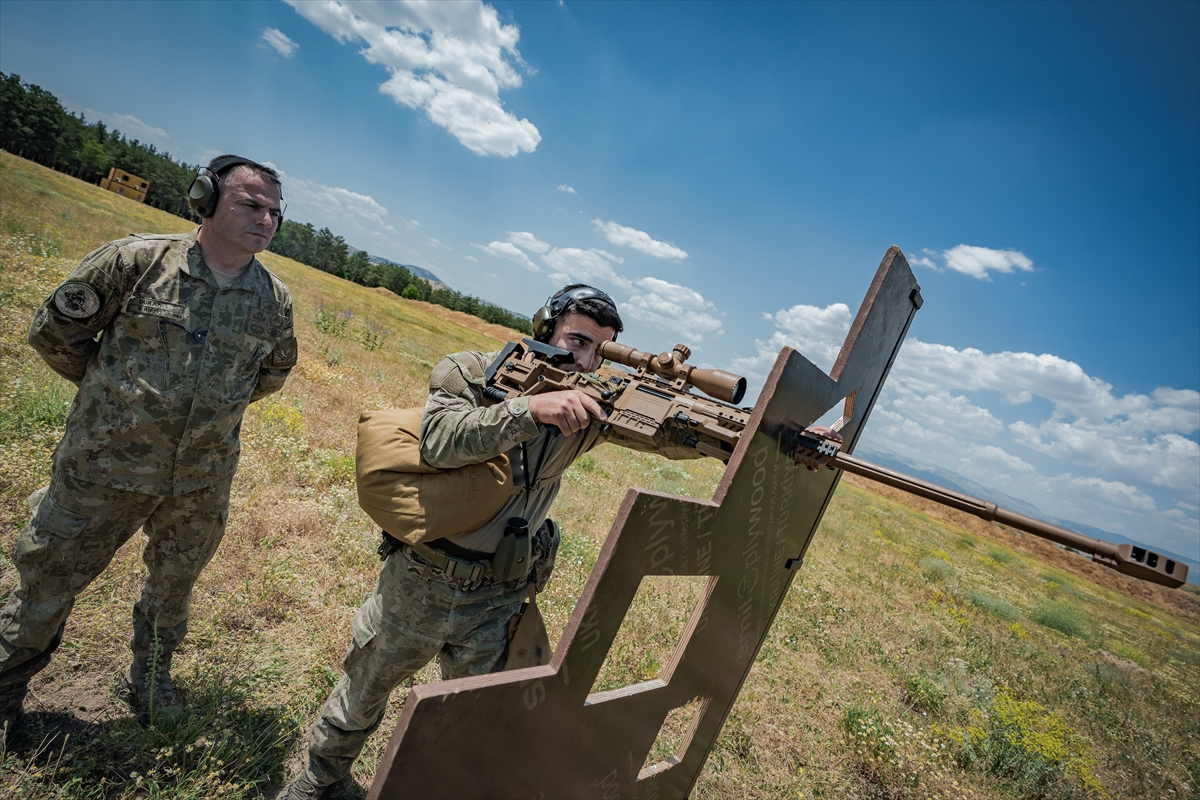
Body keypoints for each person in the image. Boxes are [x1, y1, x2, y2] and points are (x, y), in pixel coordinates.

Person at [282, 285, 703, 799]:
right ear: (544, 325)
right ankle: (318, 782)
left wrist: (760, 439)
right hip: (421, 580)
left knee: (475, 719)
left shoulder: (592, 405)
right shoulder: (474, 371)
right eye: (577, 340)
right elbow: (439, 441)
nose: (587, 360)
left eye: (601, 349)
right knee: (363, 691)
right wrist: (531, 411)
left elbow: (678, 434)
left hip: (497, 597)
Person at [0, 155, 297, 738]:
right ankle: (7, 683)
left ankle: (151, 677)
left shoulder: (273, 299)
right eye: (250, 205)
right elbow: (55, 334)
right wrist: (112, 400)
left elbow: (270, 375)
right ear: (205, 199)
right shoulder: (136, 262)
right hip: (103, 467)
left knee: (172, 589)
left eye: (274, 213)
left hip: (198, 481)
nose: (265, 220)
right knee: (49, 577)